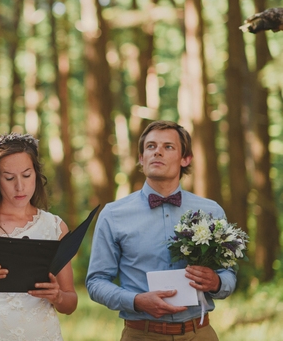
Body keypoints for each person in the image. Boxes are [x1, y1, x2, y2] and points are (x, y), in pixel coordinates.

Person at [86, 120, 237, 340]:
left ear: (185, 159)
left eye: (168, 147)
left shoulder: (211, 211)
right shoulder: (113, 214)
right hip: (141, 334)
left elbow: (229, 274)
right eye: (151, 146)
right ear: (141, 158)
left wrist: (217, 282)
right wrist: (136, 301)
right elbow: (96, 281)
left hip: (200, 333)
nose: (157, 152)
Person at [0, 133, 77, 341]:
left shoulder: (54, 226)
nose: (20, 186)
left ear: (36, 174)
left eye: (26, 175)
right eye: (9, 178)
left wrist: (58, 296)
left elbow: (71, 303)